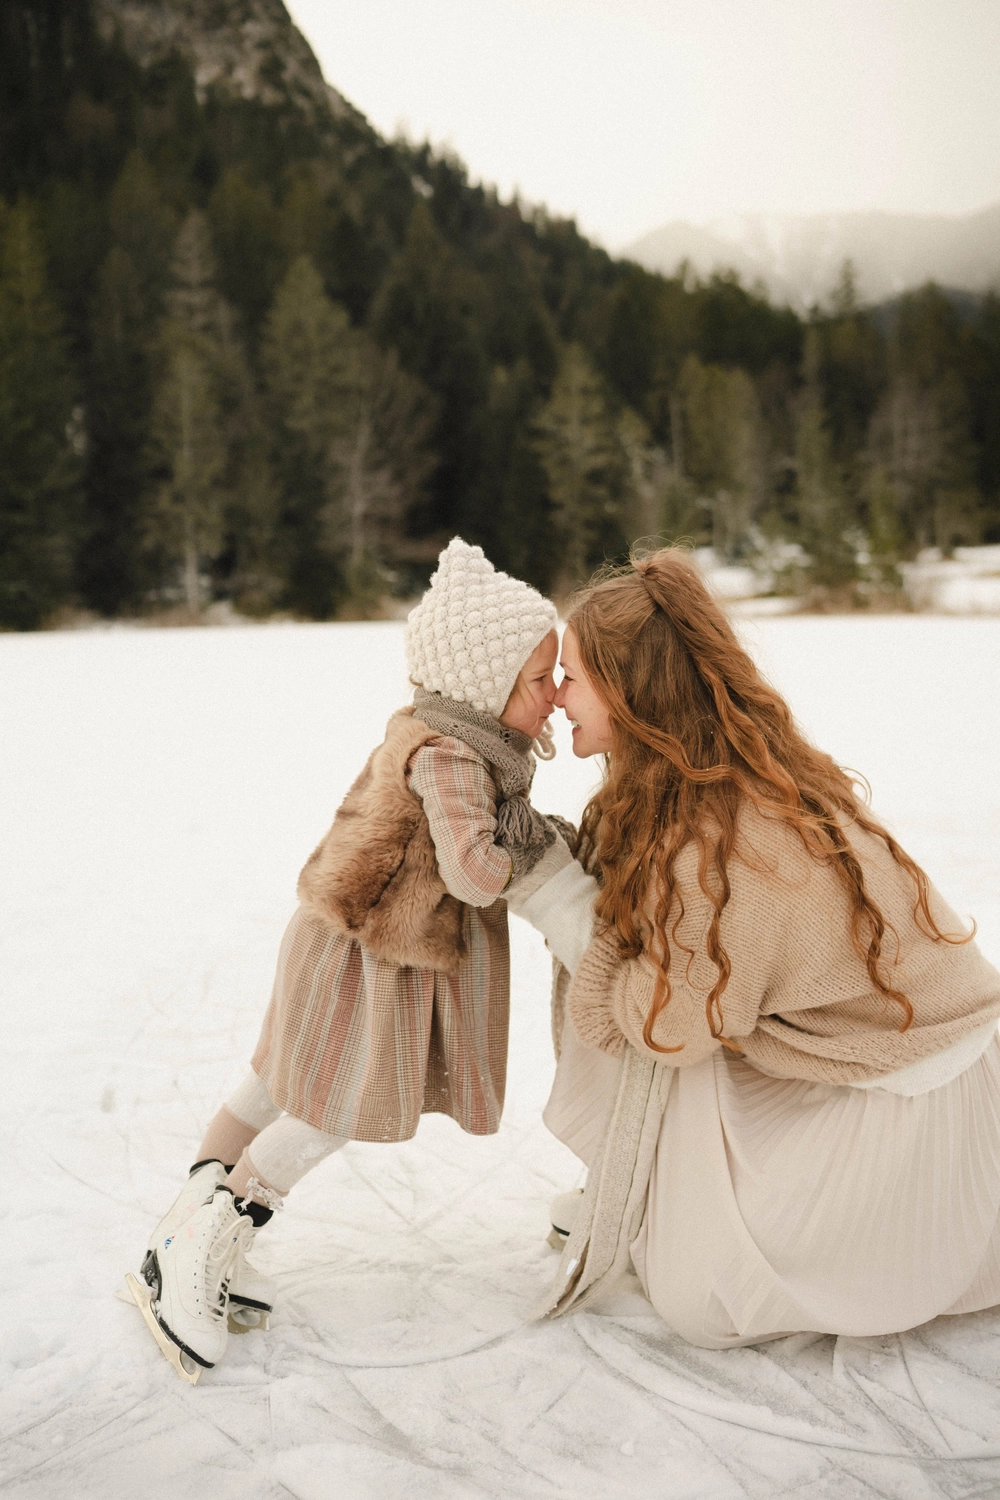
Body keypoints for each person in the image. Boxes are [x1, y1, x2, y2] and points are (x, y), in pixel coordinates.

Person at [508, 547, 1000, 1349]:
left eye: (572, 675)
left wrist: (567, 909)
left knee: (702, 1292)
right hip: (938, 1072)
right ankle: (640, 1183)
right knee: (666, 986)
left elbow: (667, 1028)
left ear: (631, 690)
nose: (557, 696)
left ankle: (655, 1195)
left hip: (935, 1122)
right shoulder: (721, 780)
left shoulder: (710, 842)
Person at [126, 538, 563, 1382]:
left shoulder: (458, 739)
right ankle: (203, 1240)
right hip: (372, 953)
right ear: (485, 684)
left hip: (343, 938)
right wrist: (534, 860)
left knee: (276, 1082)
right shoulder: (451, 757)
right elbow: (474, 876)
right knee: (329, 1105)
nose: (554, 694)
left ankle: (182, 1235)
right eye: (541, 678)